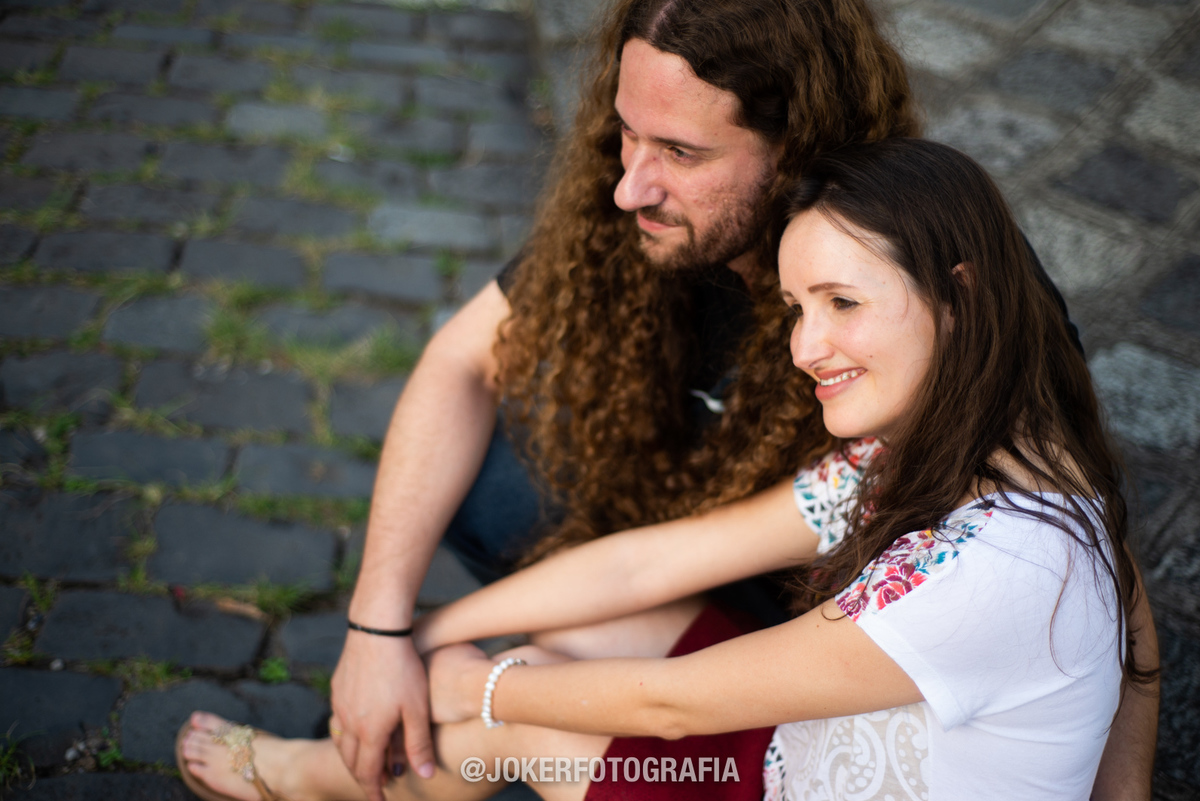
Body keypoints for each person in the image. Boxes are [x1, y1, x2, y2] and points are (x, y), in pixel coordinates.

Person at [177, 139, 1159, 801]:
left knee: (513, 719)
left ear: (959, 295)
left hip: (783, 777)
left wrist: (470, 685)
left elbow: (672, 706)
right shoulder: (953, 462)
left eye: (843, 303)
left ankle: (313, 776)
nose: (806, 346)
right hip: (810, 755)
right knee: (582, 623)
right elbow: (648, 566)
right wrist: (406, 632)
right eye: (795, 308)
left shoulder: (1001, 566)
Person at [336, 0, 921, 797]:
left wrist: (478, 683)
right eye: (627, 132)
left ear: (794, 154)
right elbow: (461, 360)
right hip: (692, 560)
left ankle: (337, 770)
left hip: (818, 655)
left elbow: (1096, 552)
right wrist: (382, 629)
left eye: (681, 150)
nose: (628, 188)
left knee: (527, 696)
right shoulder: (641, 206)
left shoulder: (928, 292)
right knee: (491, 489)